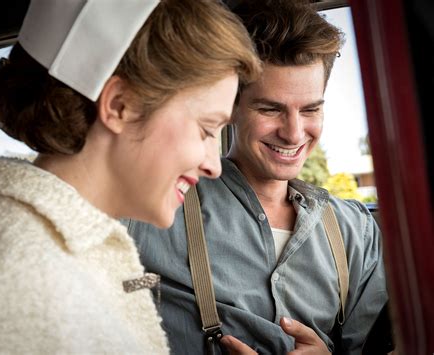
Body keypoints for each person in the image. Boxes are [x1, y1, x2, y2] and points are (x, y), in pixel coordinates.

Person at [0, 0, 261, 353]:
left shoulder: (60, 249)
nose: (215, 165)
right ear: (120, 105)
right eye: (207, 130)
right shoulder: (24, 284)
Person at [127, 0, 389, 354]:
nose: (294, 134)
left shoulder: (357, 232)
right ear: (230, 106)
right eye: (270, 109)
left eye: (310, 109)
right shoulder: (148, 211)